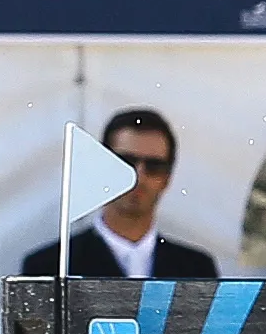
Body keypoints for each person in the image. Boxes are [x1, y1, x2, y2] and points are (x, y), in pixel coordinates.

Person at [25, 108, 217, 282]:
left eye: (154, 166)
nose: (138, 176)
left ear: (167, 178)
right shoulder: (49, 268)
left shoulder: (198, 270)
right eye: (125, 162)